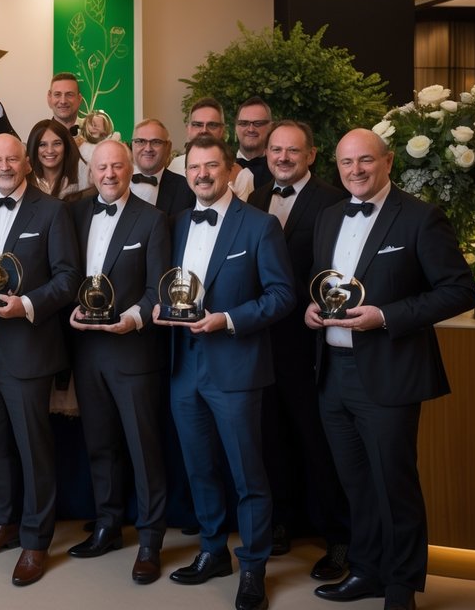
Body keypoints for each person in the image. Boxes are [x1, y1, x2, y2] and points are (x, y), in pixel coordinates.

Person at [304, 128, 475, 610]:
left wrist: (387, 316)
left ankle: (401, 587)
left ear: (388, 162)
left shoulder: (419, 217)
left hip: (388, 371)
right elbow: (322, 285)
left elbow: (458, 288)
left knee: (393, 484)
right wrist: (310, 310)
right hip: (331, 371)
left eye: (364, 161)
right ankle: (367, 570)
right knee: (355, 483)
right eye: (345, 163)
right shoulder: (328, 216)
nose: (355, 170)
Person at [155, 134, 295, 610]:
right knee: (199, 468)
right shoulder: (173, 224)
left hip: (234, 365)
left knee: (247, 474)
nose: (202, 175)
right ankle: (213, 551)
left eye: (211, 166)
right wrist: (157, 309)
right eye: (194, 168)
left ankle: (253, 566)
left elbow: (281, 296)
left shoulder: (260, 226)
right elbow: (165, 287)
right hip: (183, 365)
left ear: (230, 170)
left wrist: (228, 320)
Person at [0, 134, 80, 587]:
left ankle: (35, 540)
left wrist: (26, 305)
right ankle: (3, 522)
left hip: (26, 345)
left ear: (26, 163)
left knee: (34, 448)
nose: (5, 166)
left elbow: (69, 277)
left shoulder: (51, 211)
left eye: (13, 158)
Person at [245, 121, 349, 575]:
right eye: (275, 150)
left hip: (310, 343)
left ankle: (339, 537)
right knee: (270, 438)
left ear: (311, 155)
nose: (282, 157)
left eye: (293, 150)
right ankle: (282, 523)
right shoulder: (253, 198)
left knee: (318, 442)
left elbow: (339, 270)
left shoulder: (334, 201)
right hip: (260, 343)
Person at [67, 139, 170, 585]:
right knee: (100, 444)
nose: (108, 174)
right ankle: (108, 525)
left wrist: (131, 320)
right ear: (91, 173)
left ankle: (150, 540)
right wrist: (69, 305)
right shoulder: (74, 215)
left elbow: (159, 290)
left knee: (143, 449)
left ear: (129, 170)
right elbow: (66, 274)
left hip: (132, 351)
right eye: (101, 167)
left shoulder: (153, 220)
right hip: (86, 351)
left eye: (116, 167)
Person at [0, 70, 83, 139]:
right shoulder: (39, 135)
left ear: (79, 99)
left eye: (69, 94)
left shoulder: (95, 132)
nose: (63, 101)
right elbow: (6, 139)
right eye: (57, 94)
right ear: (49, 98)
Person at [129, 118, 195, 218]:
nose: (148, 149)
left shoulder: (186, 189)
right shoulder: (114, 183)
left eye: (156, 142)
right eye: (141, 141)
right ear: (132, 145)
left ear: (168, 147)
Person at [25, 118, 83, 200]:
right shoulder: (24, 183)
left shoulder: (80, 184)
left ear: (66, 146)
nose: (50, 150)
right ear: (34, 147)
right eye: (42, 144)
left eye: (57, 144)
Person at [167, 96, 227, 174]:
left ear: (222, 130)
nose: (204, 130)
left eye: (212, 125)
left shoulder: (235, 171)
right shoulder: (175, 167)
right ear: (188, 129)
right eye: (198, 125)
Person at [230, 96, 275, 199]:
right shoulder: (222, 167)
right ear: (236, 127)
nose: (250, 129)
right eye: (244, 123)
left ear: (270, 127)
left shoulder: (280, 169)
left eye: (258, 123)